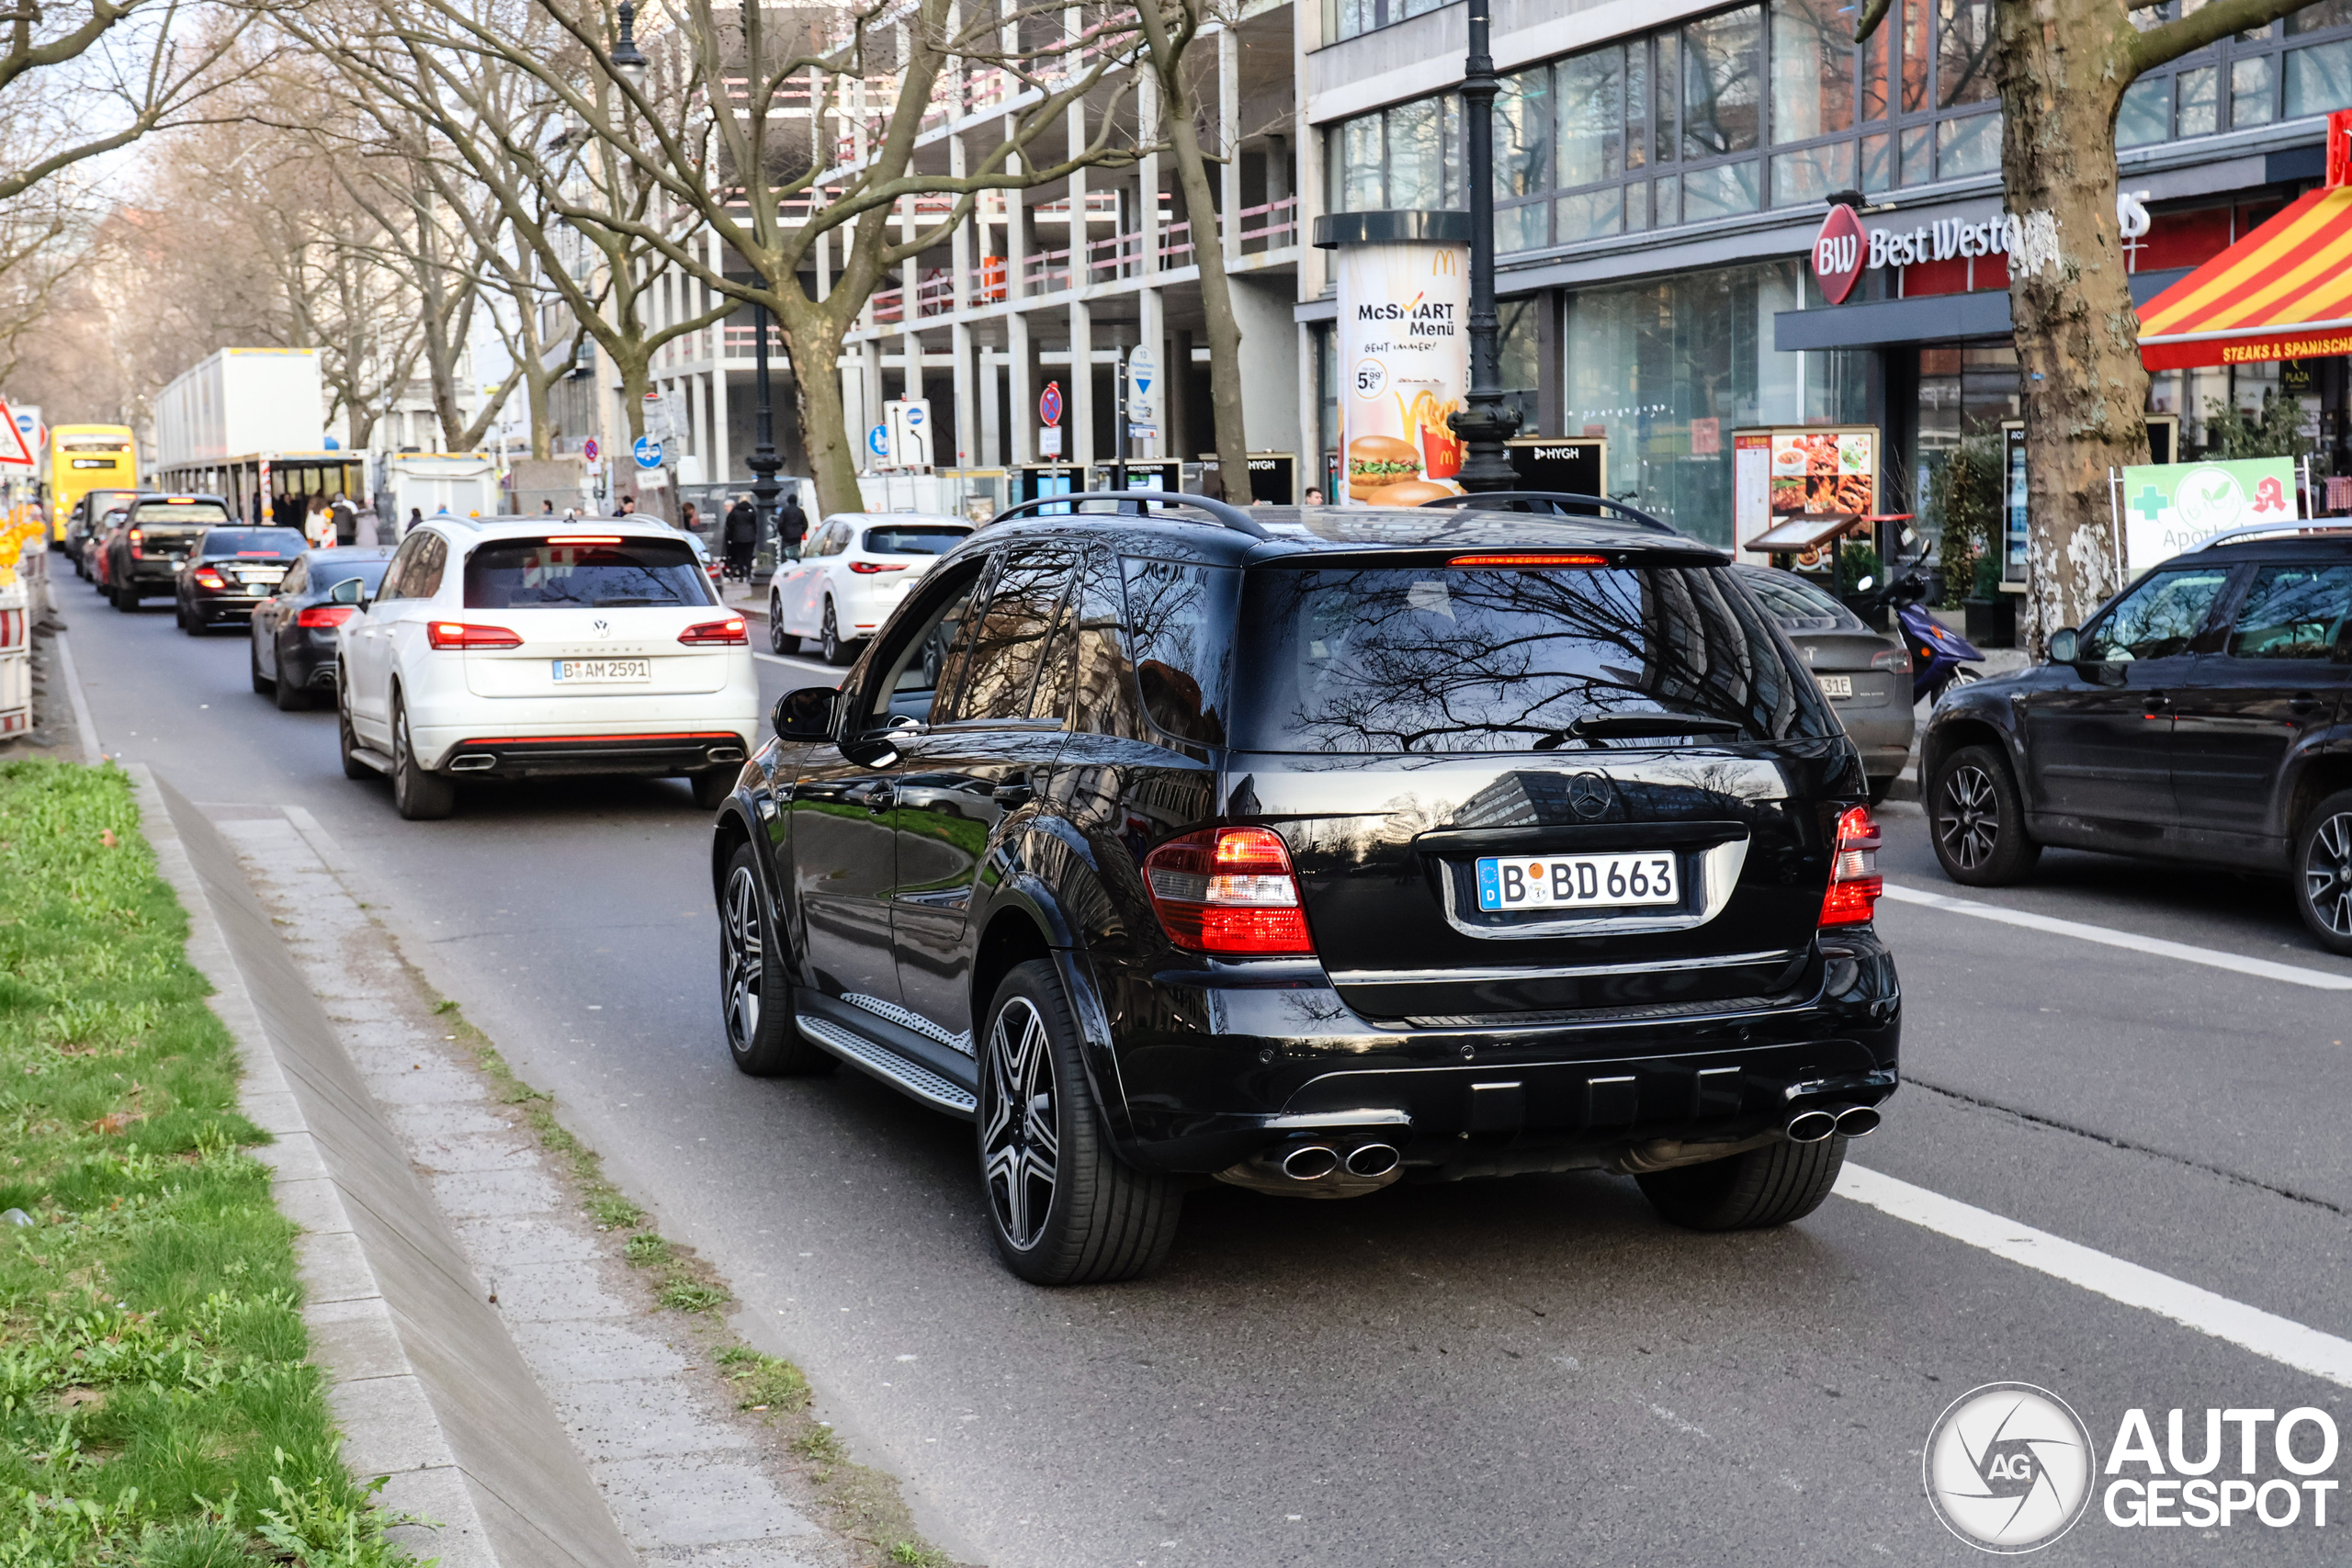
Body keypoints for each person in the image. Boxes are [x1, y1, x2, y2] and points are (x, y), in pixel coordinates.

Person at [723, 493, 758, 581]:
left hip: (738, 536)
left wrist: (732, 534)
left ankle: (741, 575)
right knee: (748, 556)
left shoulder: (735, 510)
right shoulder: (751, 510)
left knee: (739, 556)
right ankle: (748, 574)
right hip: (750, 536)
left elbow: (729, 523)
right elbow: (755, 523)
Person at [777, 490, 808, 558]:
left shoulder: (785, 511)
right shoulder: (800, 511)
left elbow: (780, 524)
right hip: (797, 534)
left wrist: (783, 532)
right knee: (796, 550)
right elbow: (805, 524)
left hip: (787, 535)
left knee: (787, 551)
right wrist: (801, 531)